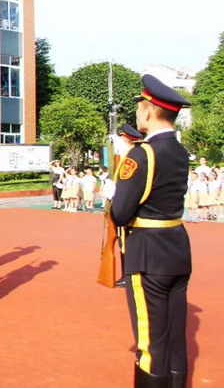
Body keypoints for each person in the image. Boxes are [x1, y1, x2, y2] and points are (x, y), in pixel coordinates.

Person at [110, 74, 192, 387]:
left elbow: (120, 213)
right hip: (177, 247)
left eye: (139, 108)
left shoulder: (143, 153)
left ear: (148, 111)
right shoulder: (180, 151)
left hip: (148, 251)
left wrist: (115, 197)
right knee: (175, 339)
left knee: (150, 342)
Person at [113, 123, 144, 288]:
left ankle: (129, 275)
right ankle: (128, 274)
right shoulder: (128, 157)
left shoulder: (131, 159)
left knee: (126, 244)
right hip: (129, 209)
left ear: (126, 140)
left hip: (129, 211)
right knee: (123, 243)